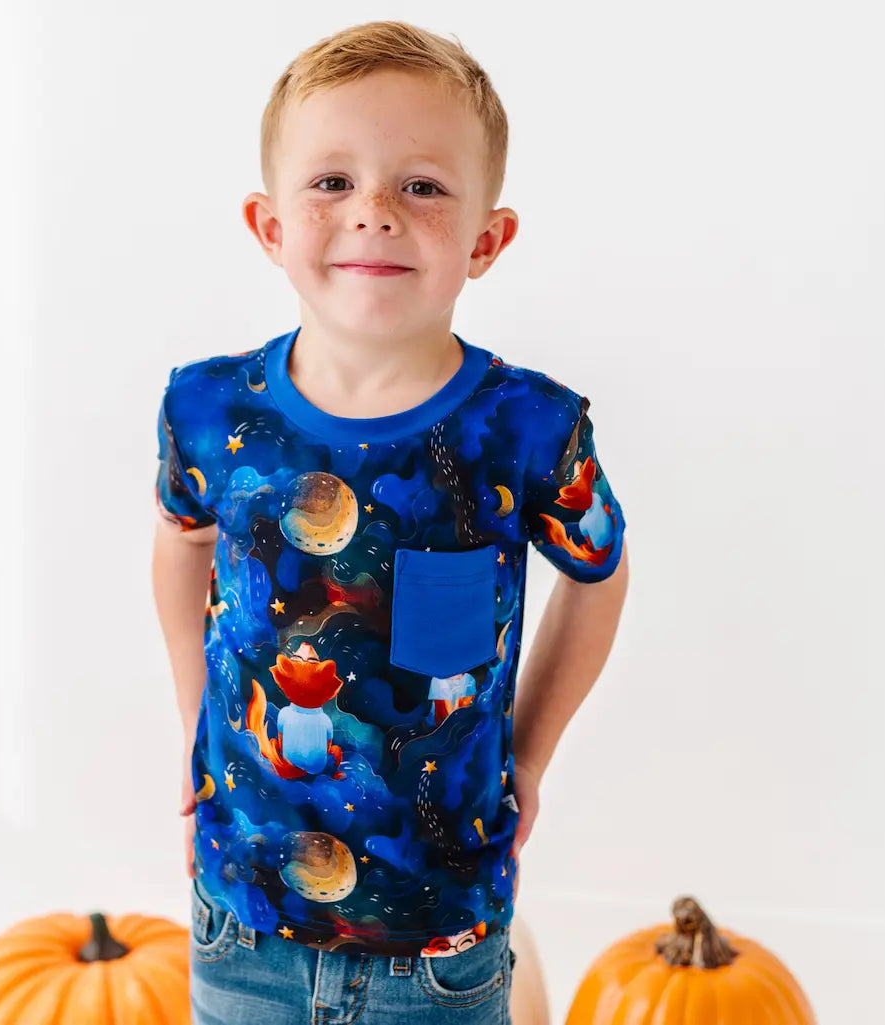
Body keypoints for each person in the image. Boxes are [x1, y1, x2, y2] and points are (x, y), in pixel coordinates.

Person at [151, 19, 630, 1025]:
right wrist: (197, 720)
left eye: (419, 186)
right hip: (244, 918)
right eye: (330, 182)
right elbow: (181, 541)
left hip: (440, 937)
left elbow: (596, 572)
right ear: (269, 227)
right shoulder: (209, 412)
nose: (371, 211)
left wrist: (529, 752)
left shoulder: (528, 429)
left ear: (484, 240)